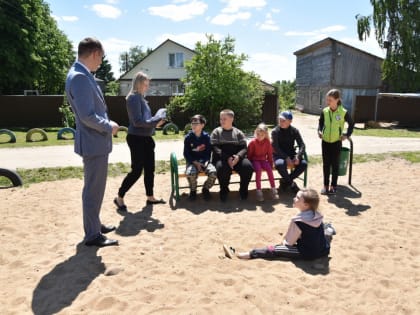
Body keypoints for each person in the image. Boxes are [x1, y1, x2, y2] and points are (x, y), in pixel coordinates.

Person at [65, 37, 119, 247]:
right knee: (93, 190)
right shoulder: (79, 77)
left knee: (94, 188)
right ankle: (93, 235)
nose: (101, 62)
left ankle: (94, 225)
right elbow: (87, 116)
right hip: (93, 142)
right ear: (95, 53)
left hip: (92, 142)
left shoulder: (79, 74)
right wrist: (109, 125)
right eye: (101, 58)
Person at [224, 188, 333, 260]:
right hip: (324, 250)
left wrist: (285, 240)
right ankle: (330, 229)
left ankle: (246, 254)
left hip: (307, 253)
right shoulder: (318, 214)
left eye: (298, 198)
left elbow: (288, 244)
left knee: (275, 249)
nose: (294, 199)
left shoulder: (297, 220)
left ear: (305, 204)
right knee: (325, 231)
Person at [114, 72, 166, 210]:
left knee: (150, 169)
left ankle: (150, 197)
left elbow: (147, 122)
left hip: (147, 139)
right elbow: (137, 122)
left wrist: (157, 122)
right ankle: (119, 197)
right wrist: (155, 120)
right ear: (138, 83)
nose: (147, 87)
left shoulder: (142, 99)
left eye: (148, 85)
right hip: (136, 138)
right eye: (145, 84)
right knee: (137, 170)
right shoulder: (133, 98)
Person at [210, 109, 254, 202]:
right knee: (222, 168)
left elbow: (244, 148)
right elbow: (215, 147)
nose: (221, 121)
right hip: (221, 159)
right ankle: (224, 190)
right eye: (221, 119)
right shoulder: (216, 132)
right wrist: (227, 158)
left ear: (231, 119)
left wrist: (238, 157)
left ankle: (243, 190)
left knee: (248, 167)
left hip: (236, 158)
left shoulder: (238, 132)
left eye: (224, 119)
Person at [318, 89, 354, 195]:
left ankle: (334, 186)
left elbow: (351, 124)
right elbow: (320, 123)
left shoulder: (343, 112)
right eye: (327, 100)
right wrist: (319, 131)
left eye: (330, 100)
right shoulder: (325, 111)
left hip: (336, 142)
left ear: (337, 100)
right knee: (326, 165)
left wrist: (347, 135)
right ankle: (325, 186)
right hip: (325, 142)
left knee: (334, 165)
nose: (327, 102)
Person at [271, 111, 307, 193]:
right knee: (280, 164)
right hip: (278, 155)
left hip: (291, 154)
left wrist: (298, 156)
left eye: (283, 120)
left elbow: (302, 145)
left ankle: (285, 181)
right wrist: (286, 158)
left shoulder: (294, 131)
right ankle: (291, 184)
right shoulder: (275, 131)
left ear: (290, 121)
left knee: (304, 164)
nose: (281, 122)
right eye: (280, 119)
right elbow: (275, 148)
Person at [183, 115, 217, 201]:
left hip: (204, 161)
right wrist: (195, 163)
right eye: (192, 123)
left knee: (213, 172)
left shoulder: (206, 137)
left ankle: (205, 189)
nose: (193, 125)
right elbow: (186, 153)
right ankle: (193, 190)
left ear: (202, 125)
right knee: (190, 173)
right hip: (192, 162)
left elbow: (208, 152)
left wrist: (205, 162)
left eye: (196, 123)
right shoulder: (188, 137)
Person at [247, 123, 279, 201]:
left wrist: (271, 163)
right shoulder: (252, 142)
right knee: (258, 170)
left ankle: (273, 189)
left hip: (263, 160)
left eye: (262, 135)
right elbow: (249, 154)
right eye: (258, 134)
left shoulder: (267, 142)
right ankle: (259, 191)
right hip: (255, 160)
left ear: (265, 135)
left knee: (269, 169)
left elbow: (269, 154)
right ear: (255, 133)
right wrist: (250, 163)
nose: (259, 137)